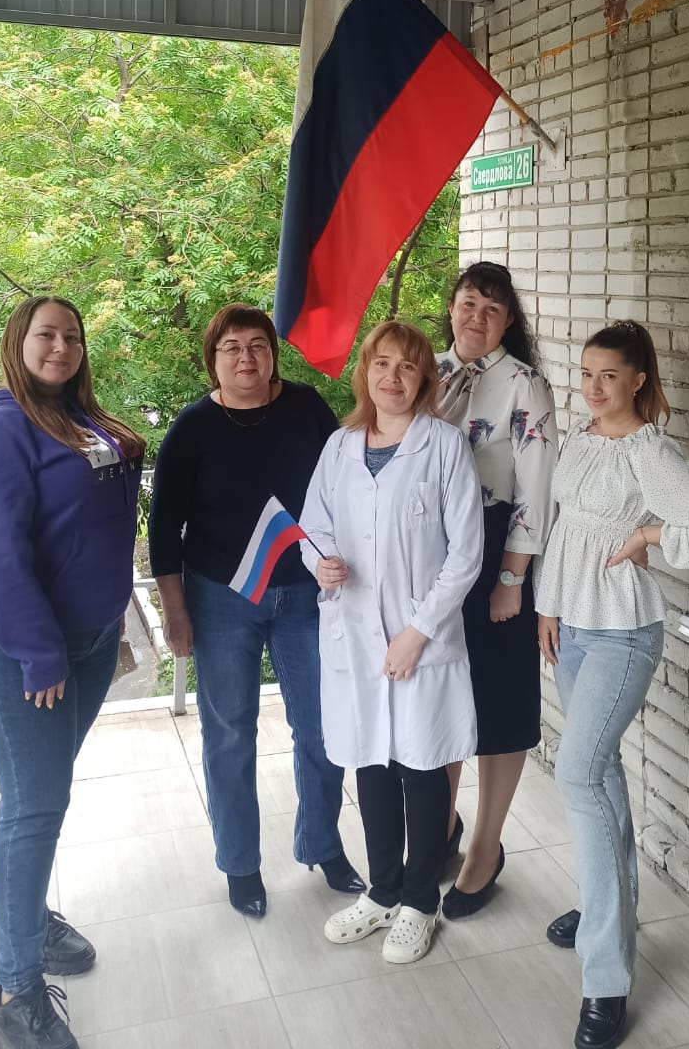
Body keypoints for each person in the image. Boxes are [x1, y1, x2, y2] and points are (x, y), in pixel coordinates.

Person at [0, 296, 146, 1049]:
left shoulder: (78, 420)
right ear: (16, 343)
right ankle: (14, 993)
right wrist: (38, 651)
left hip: (86, 642)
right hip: (20, 649)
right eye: (46, 335)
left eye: (72, 336)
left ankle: (19, 922)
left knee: (41, 798)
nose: (61, 346)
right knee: (33, 807)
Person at [535, 321, 689, 1049]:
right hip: (572, 625)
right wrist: (548, 606)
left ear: (638, 381)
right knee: (602, 775)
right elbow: (564, 529)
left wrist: (651, 536)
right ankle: (612, 906)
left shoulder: (648, 452)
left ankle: (605, 979)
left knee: (577, 774)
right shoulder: (583, 438)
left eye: (609, 376)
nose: (593, 387)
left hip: (622, 633)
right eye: (586, 373)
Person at [148, 304, 362, 919]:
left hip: (305, 595)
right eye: (232, 348)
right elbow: (163, 528)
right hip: (221, 598)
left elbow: (344, 489)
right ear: (213, 360)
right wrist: (174, 609)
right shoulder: (192, 427)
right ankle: (240, 864)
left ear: (273, 354)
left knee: (320, 727)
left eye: (259, 345)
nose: (247, 358)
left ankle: (322, 845)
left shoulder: (307, 408)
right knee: (230, 732)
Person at [300, 320, 484, 965]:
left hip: (420, 637)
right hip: (354, 634)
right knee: (372, 761)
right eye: (381, 364)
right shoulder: (340, 445)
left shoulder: (445, 446)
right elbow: (314, 525)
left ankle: (419, 902)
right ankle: (381, 892)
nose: (393, 377)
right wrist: (320, 563)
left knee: (422, 766)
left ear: (424, 377)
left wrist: (417, 632)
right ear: (365, 372)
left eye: (407, 366)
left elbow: (466, 554)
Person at [435, 262, 557, 916]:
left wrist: (512, 578)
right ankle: (441, 825)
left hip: (495, 552)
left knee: (498, 703)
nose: (476, 317)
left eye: (491, 308)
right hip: (430, 557)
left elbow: (536, 489)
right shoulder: (422, 371)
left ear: (508, 320)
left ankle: (485, 847)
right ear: (451, 308)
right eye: (467, 303)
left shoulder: (523, 384)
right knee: (440, 694)